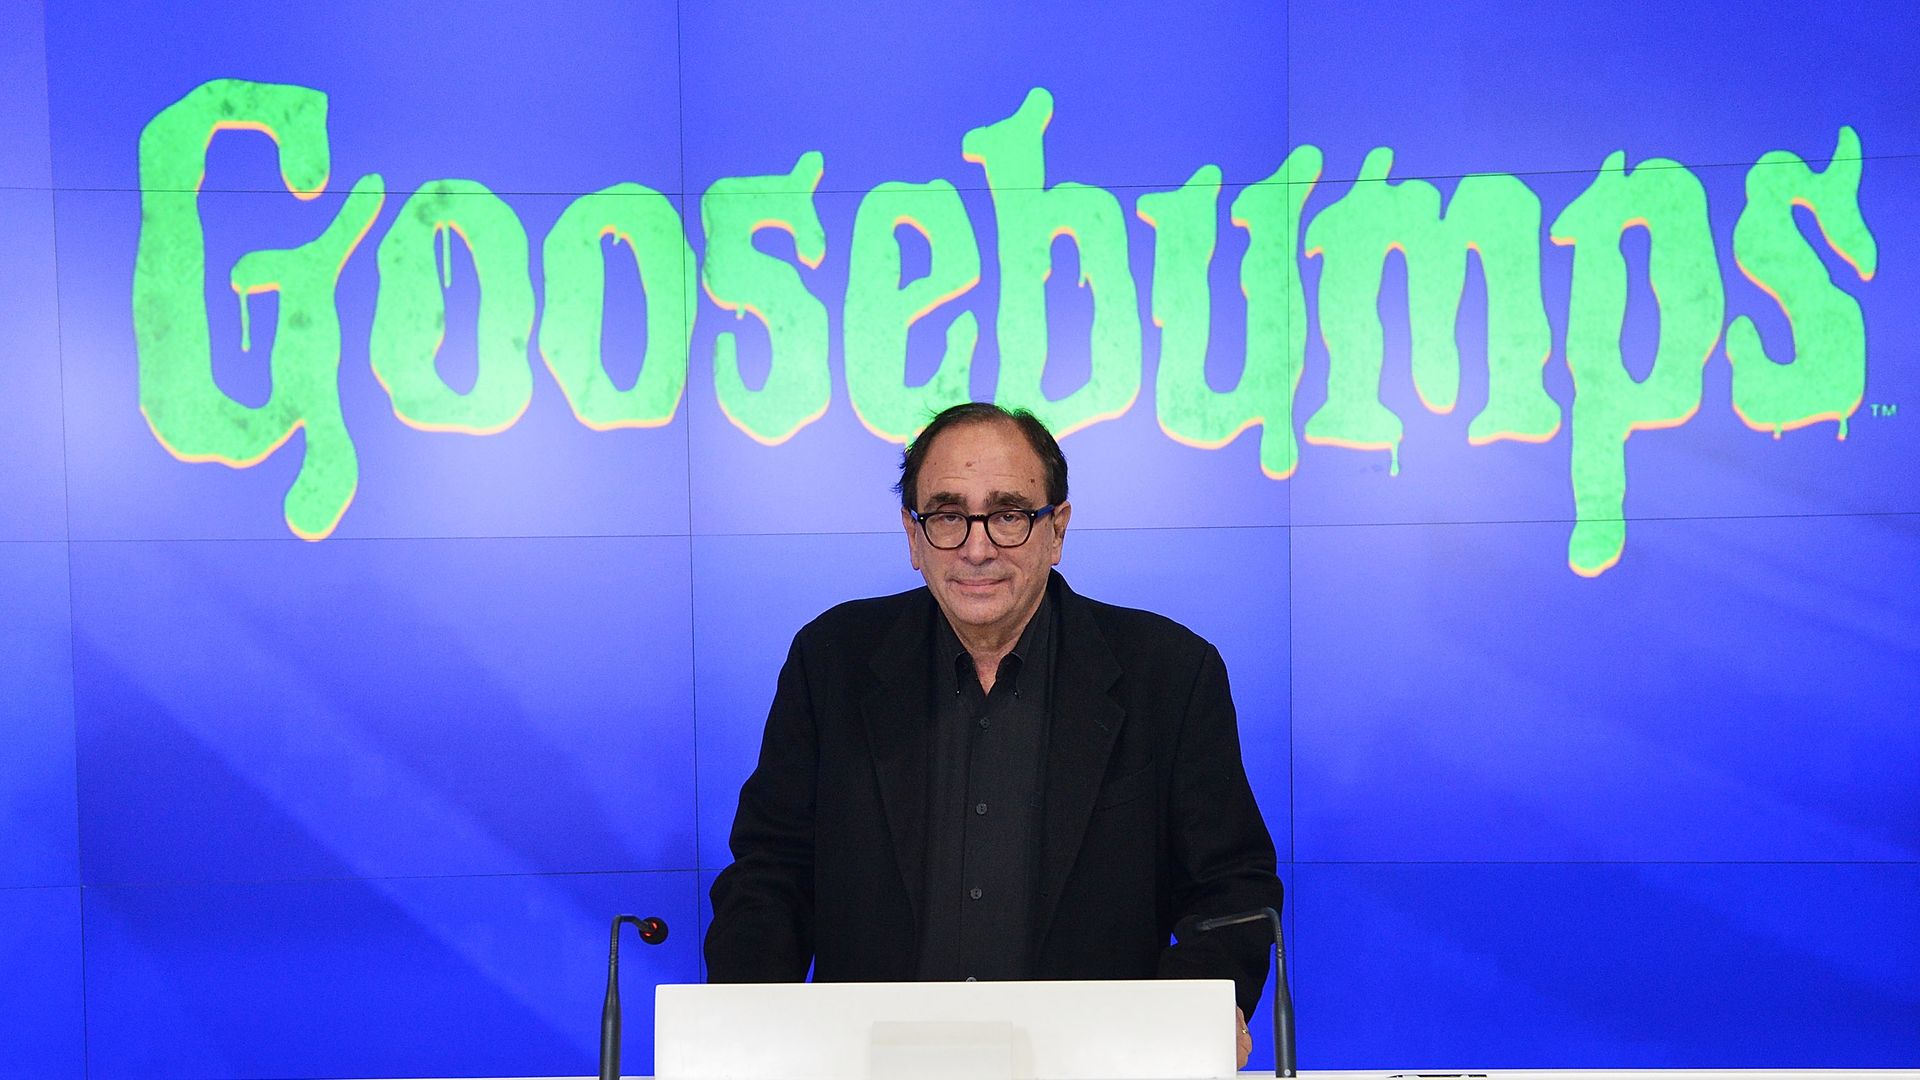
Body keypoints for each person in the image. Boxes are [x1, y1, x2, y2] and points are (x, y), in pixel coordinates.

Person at [705, 402, 1282, 1067]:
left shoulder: (1168, 673)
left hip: (1094, 1066)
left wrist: (1192, 1012)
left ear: (1056, 529)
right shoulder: (832, 661)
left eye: (1008, 515)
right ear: (913, 537)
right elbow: (772, 872)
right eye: (948, 516)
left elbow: (1231, 886)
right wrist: (742, 1026)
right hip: (875, 1065)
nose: (977, 548)